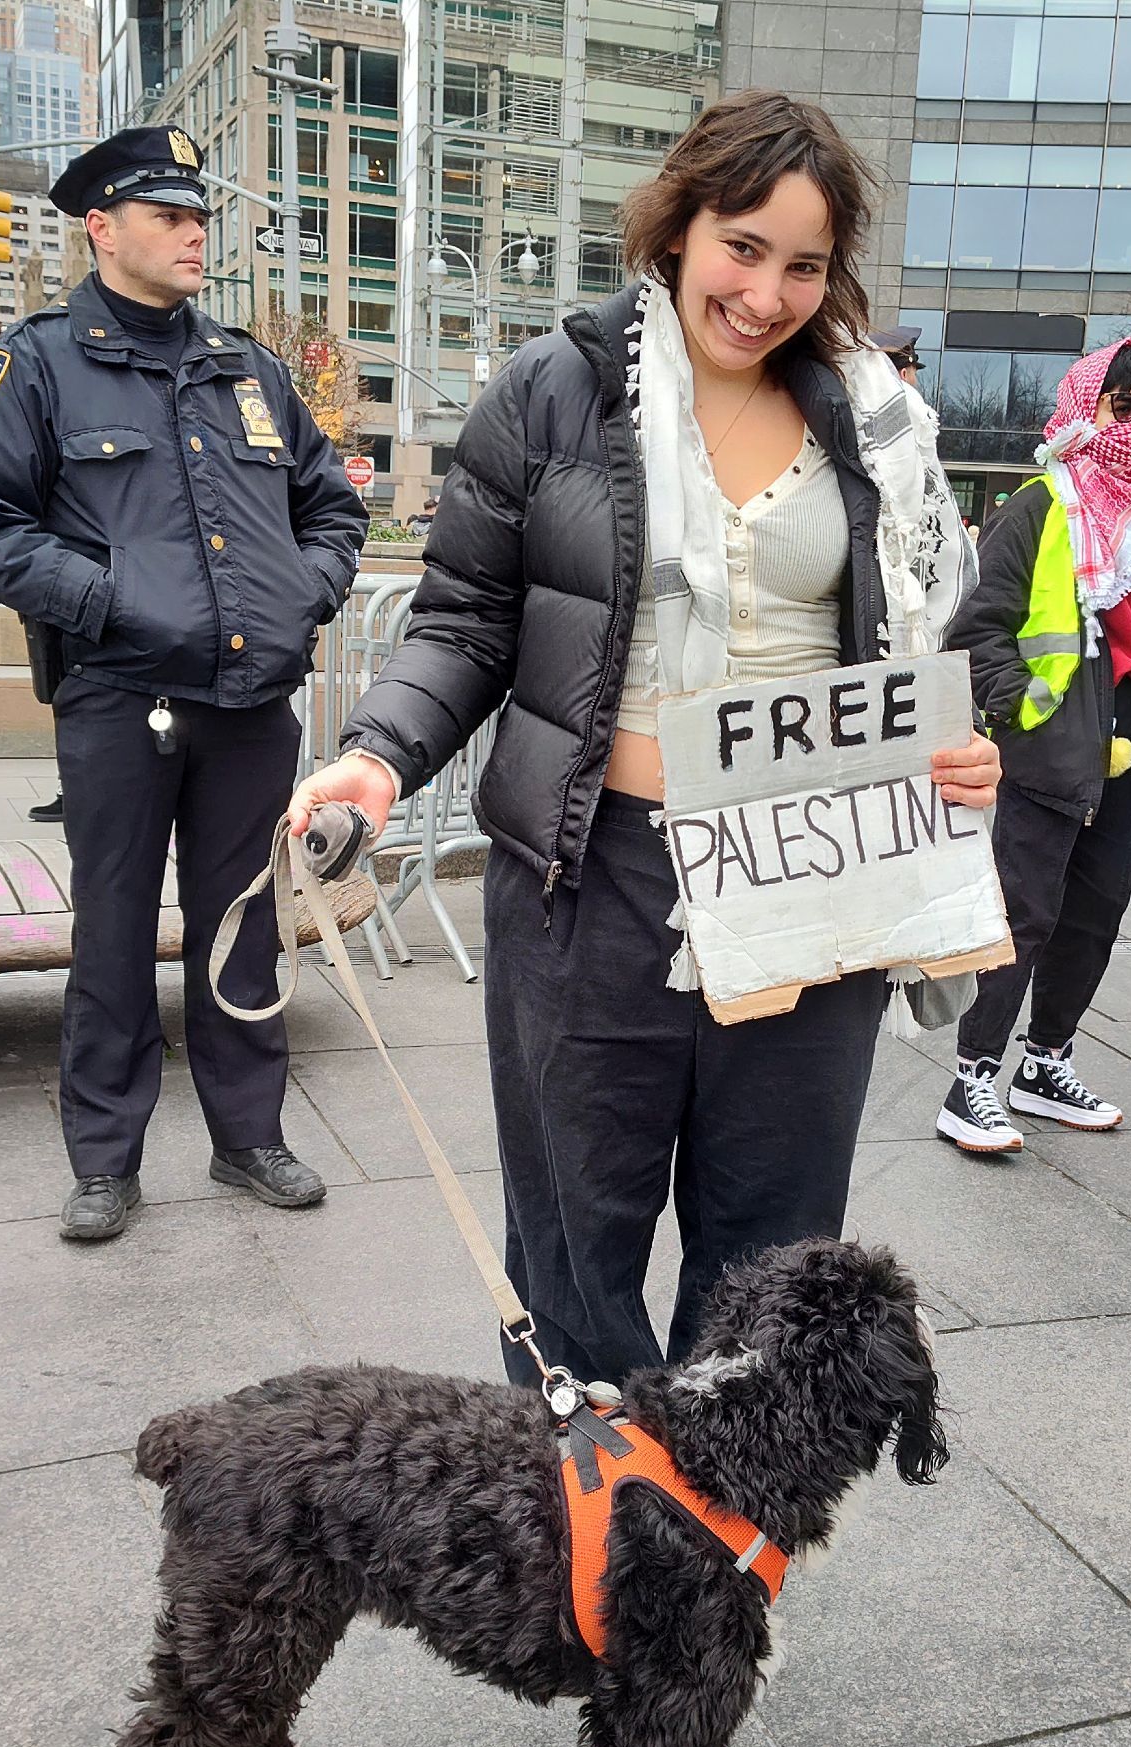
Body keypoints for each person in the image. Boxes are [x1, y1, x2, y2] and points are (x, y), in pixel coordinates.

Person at [287, 90, 998, 1386]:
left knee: (771, 1274)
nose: (767, 292)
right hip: (589, 885)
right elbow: (459, 625)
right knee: (573, 1264)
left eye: (804, 264)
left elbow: (932, 635)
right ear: (679, 226)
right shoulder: (550, 394)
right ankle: (585, 1566)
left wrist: (957, 745)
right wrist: (377, 754)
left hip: (810, 868)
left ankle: (721, 1566)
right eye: (743, 245)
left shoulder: (870, 419)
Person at [0, 125, 366, 1241]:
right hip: (121, 701)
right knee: (117, 930)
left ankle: (248, 1136)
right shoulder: (38, 363)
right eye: (169, 214)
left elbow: (332, 509)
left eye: (199, 217)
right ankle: (104, 1156)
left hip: (247, 705)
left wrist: (300, 592)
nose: (194, 233)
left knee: (244, 925)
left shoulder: (248, 366)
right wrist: (117, 601)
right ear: (102, 226)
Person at [936, 338, 1131, 1153]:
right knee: (1022, 915)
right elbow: (977, 629)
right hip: (1049, 752)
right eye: (1119, 406)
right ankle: (971, 1079)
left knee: (1095, 917)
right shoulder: (1039, 505)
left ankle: (1046, 1062)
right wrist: (1022, 709)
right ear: (1084, 408)